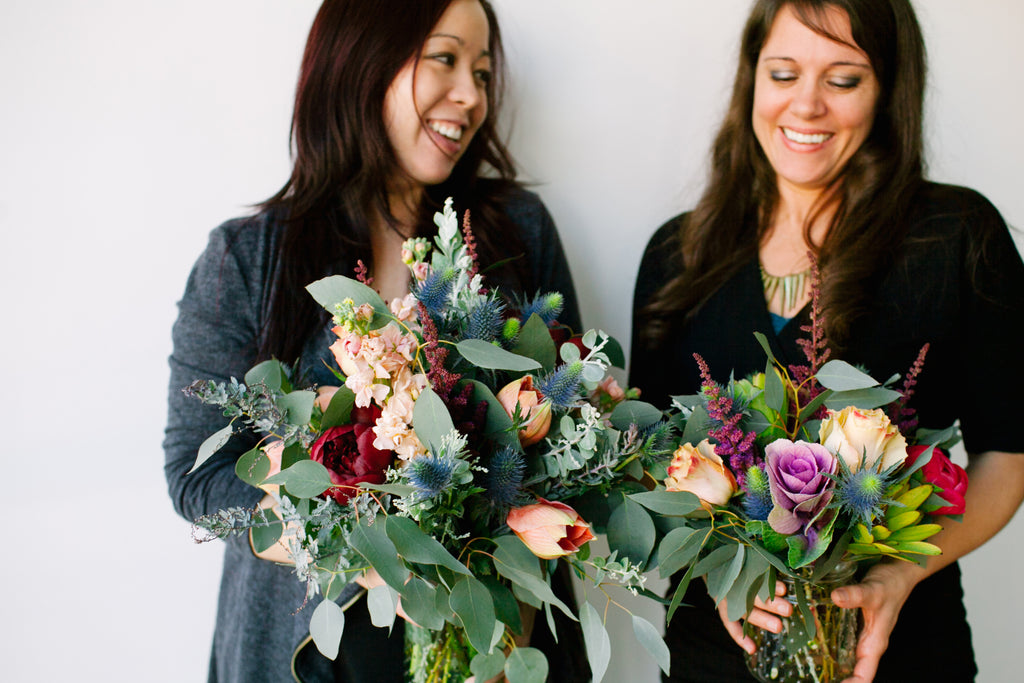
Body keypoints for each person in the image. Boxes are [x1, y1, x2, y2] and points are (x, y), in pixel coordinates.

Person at [163, 1, 586, 681]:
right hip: (306, 656)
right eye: (444, 59)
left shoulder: (515, 236)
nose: (472, 97)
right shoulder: (246, 259)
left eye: (481, 72)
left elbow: (569, 429)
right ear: (363, 58)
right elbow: (196, 474)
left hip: (493, 650)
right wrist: (348, 518)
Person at [630, 1, 1024, 681]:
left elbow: (1008, 456)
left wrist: (900, 575)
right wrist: (723, 576)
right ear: (752, 79)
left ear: (888, 91)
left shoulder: (956, 236)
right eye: (783, 73)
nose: (806, 104)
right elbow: (648, 468)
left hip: (899, 653)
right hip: (711, 655)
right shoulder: (678, 252)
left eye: (843, 80)